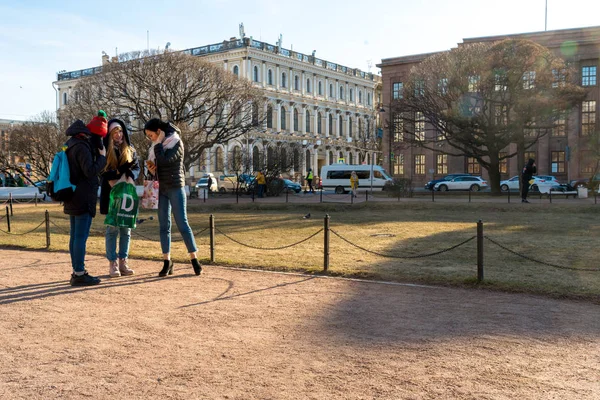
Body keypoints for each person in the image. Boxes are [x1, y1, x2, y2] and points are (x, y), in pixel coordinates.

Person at [144, 118, 202, 277]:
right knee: (164, 226)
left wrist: (157, 145)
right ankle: (167, 261)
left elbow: (165, 160)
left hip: (176, 188)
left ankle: (194, 259)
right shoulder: (157, 146)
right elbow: (157, 166)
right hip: (161, 189)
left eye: (151, 135)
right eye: (148, 137)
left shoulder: (175, 142)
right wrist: (151, 169)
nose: (151, 139)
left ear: (158, 132)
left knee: (183, 224)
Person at [64, 113, 107, 286]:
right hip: (83, 196)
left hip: (71, 194)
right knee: (80, 237)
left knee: (75, 236)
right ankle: (79, 273)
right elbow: (89, 170)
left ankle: (76, 271)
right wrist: (102, 157)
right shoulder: (82, 146)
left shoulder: (69, 144)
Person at [100, 119, 140, 278]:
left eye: (121, 131)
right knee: (112, 229)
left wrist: (130, 174)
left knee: (126, 229)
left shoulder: (130, 149)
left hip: (127, 193)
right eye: (115, 132)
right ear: (110, 134)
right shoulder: (104, 150)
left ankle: (123, 261)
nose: (119, 135)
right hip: (111, 194)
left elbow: (136, 167)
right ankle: (112, 264)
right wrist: (118, 173)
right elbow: (103, 172)